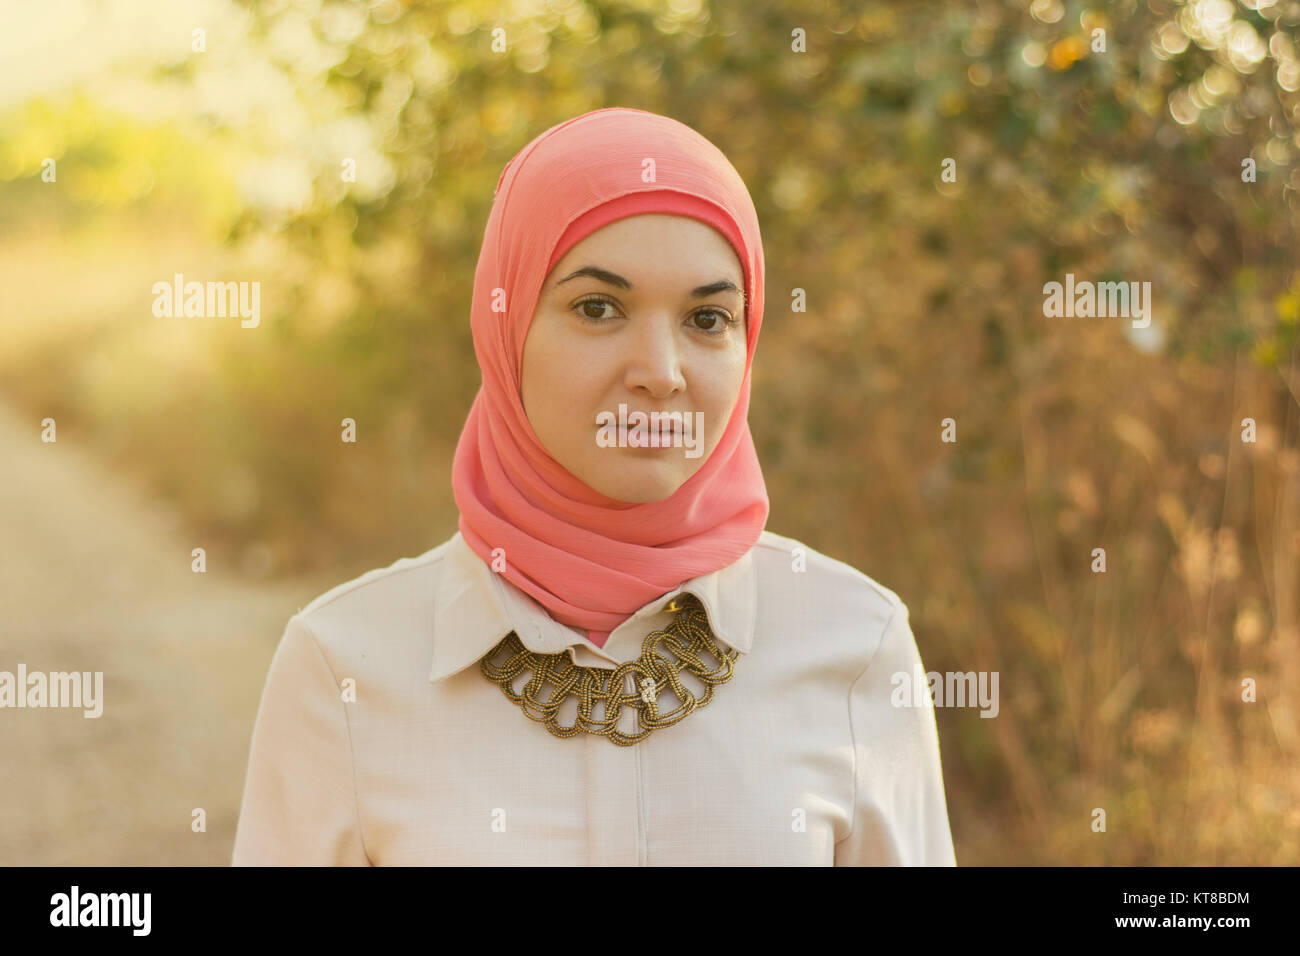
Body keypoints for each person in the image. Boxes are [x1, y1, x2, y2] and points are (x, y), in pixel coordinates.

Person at [231, 107, 956, 866]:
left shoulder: (854, 644)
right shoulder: (345, 666)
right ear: (505, 331)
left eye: (707, 318)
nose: (660, 373)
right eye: (598, 308)